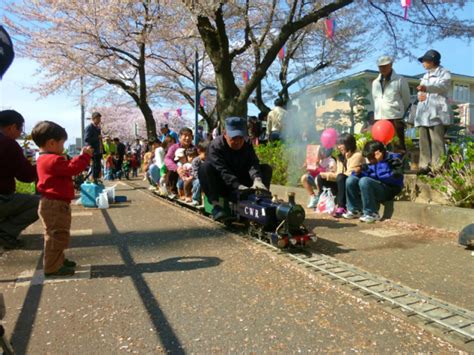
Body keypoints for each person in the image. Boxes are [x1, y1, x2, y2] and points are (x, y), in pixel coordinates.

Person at [31, 121, 93, 276]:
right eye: (62, 144)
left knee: (56, 233)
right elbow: (73, 169)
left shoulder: (43, 158)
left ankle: (58, 260)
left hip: (51, 203)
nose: (63, 147)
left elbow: (68, 167)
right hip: (55, 204)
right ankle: (52, 267)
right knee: (57, 235)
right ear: (51, 143)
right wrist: (85, 156)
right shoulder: (53, 159)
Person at [198, 117, 272, 221]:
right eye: (233, 138)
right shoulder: (215, 146)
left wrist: (257, 178)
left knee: (266, 168)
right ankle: (216, 206)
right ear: (225, 134)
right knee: (204, 168)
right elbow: (222, 170)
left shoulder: (247, 143)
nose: (237, 142)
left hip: (243, 181)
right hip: (223, 184)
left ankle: (262, 200)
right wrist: (237, 185)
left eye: (240, 138)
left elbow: (253, 162)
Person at [0, 110, 39, 249]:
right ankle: (5, 232)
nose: (20, 134)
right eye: (20, 129)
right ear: (11, 127)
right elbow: (26, 176)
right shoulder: (8, 144)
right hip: (2, 198)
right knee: (42, 203)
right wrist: (43, 165)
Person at [343, 140, 404, 223]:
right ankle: (354, 210)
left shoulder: (394, 159)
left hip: (390, 189)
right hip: (377, 187)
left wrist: (381, 162)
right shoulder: (372, 163)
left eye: (372, 157)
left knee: (365, 181)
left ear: (380, 153)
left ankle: (371, 213)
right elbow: (368, 172)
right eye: (368, 158)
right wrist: (357, 172)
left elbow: (391, 178)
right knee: (351, 179)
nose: (370, 160)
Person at [414, 49, 452, 176]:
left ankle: (438, 168)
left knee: (437, 141)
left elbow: (443, 86)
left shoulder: (444, 73)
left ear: (432, 61)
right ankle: (424, 165)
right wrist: (420, 94)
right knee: (423, 140)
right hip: (424, 113)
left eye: (424, 61)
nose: (423, 63)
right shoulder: (425, 76)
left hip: (437, 113)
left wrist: (427, 88)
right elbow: (421, 90)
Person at [318, 134, 365, 217]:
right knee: (321, 177)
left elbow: (350, 173)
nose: (339, 147)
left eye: (341, 144)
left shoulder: (357, 155)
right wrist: (326, 175)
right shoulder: (341, 156)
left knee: (340, 177)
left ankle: (342, 207)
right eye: (338, 144)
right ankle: (324, 203)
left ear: (349, 144)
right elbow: (338, 173)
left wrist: (346, 159)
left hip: (353, 184)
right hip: (342, 182)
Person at [372, 56, 410, 153]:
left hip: (395, 117)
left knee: (398, 145)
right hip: (380, 118)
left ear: (391, 65)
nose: (383, 69)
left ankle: (400, 166)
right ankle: (383, 166)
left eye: (385, 66)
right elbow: (376, 99)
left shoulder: (400, 80)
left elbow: (406, 99)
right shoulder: (375, 82)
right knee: (380, 146)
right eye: (380, 66)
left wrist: (401, 113)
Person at [164, 127, 194, 198]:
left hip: (189, 172)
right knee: (171, 170)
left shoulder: (194, 148)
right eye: (185, 135)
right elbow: (167, 159)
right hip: (176, 173)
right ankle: (172, 190)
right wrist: (177, 168)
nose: (187, 138)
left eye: (189, 136)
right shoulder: (174, 147)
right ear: (180, 137)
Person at [84, 112, 103, 183]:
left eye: (100, 119)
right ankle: (94, 180)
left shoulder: (98, 128)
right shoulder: (89, 127)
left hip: (98, 150)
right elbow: (86, 139)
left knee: (98, 166)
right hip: (93, 150)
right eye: (98, 119)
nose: (99, 120)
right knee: (94, 165)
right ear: (93, 119)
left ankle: (97, 179)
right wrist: (97, 137)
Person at [190, 141, 208, 206]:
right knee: (198, 182)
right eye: (206, 154)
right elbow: (195, 172)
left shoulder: (209, 160)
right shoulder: (196, 160)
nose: (207, 156)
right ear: (199, 151)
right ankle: (195, 198)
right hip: (196, 178)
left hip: (207, 178)